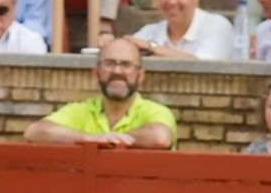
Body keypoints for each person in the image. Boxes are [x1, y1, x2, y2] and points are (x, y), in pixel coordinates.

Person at [23, 38, 177, 149]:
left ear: (141, 75)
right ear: (96, 73)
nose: (117, 71)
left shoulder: (155, 111)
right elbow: (35, 132)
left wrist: (110, 140)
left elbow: (160, 138)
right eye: (109, 63)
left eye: (126, 64)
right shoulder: (81, 110)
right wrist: (88, 138)